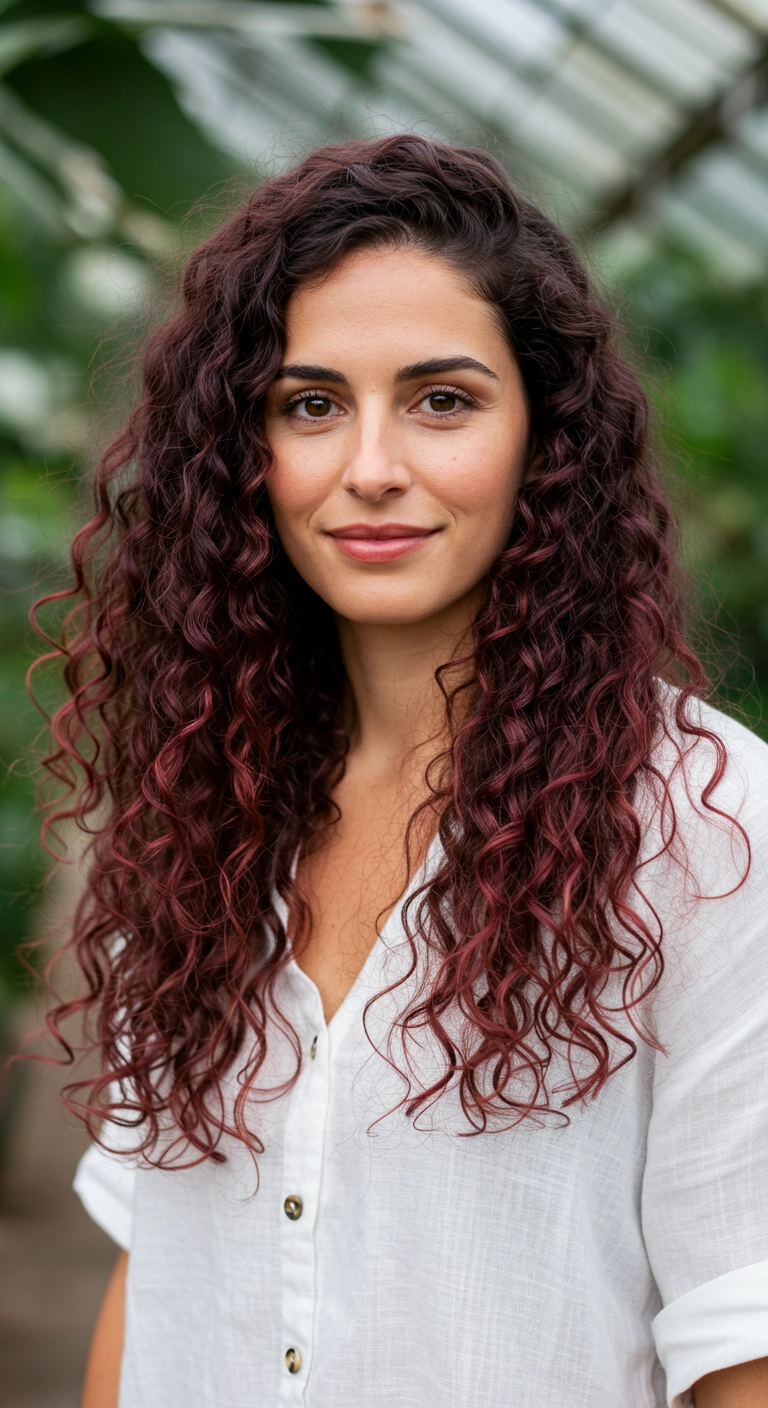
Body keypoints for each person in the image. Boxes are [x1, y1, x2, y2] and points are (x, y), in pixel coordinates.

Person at [36, 135, 768, 1408]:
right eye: (310, 404)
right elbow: (158, 1271)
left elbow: (739, 1341)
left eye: (443, 399)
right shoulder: (202, 805)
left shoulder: (705, 826)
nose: (371, 466)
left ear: (547, 435)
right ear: (246, 454)